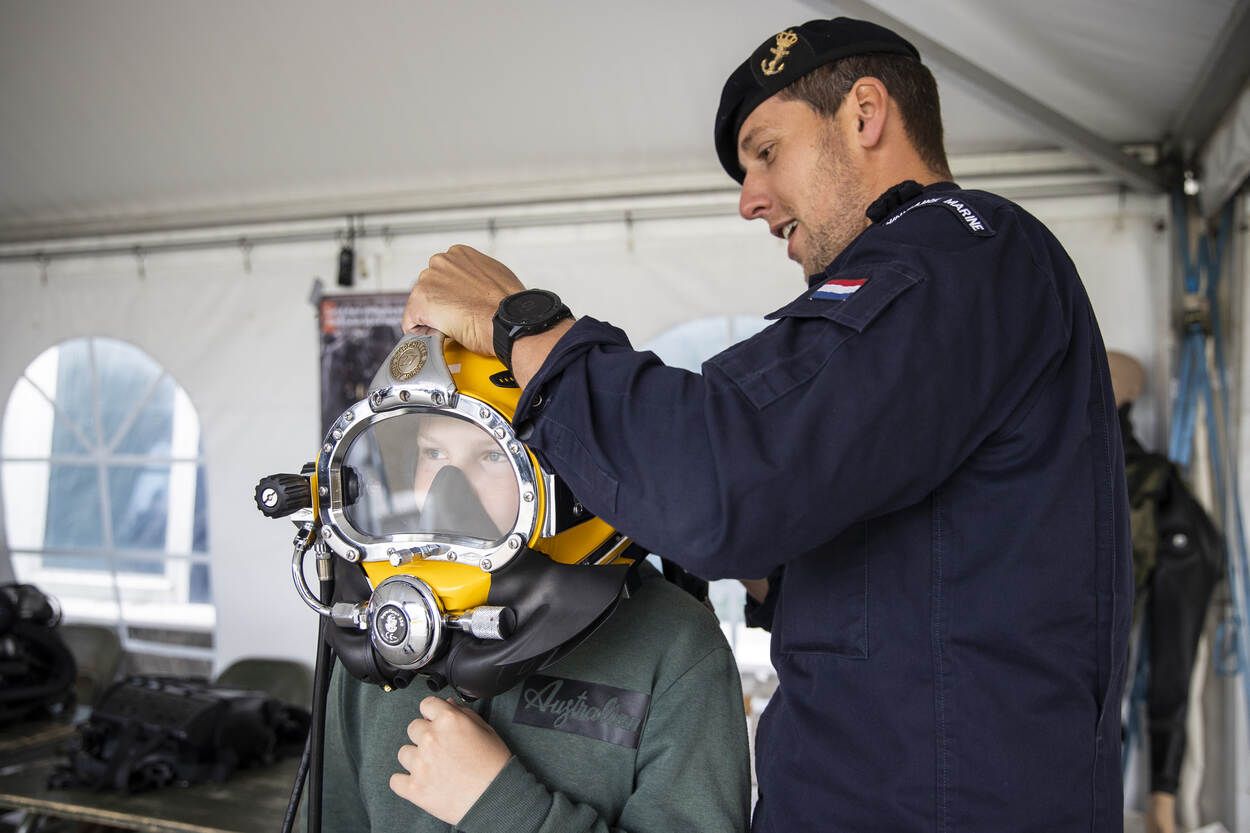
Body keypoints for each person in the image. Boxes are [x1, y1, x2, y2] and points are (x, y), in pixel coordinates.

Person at [401, 16, 1132, 833]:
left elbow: (725, 481)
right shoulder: (961, 286)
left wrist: (522, 324)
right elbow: (900, 589)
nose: (749, 200)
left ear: (864, 114)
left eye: (767, 152)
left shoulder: (953, 254)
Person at [319, 412, 752, 833]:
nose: (448, 489)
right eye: (433, 453)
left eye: (493, 455)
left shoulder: (678, 645)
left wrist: (497, 805)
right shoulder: (382, 630)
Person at [1109, 351, 1223, 833]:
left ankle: (1161, 803)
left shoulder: (1148, 481)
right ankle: (1157, 801)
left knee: (1159, 667)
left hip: (1173, 548)